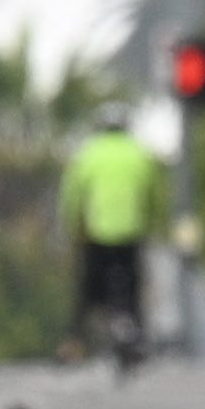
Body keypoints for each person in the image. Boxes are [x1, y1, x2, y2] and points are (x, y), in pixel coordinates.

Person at [63, 123, 165, 372]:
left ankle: (73, 342)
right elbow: (154, 194)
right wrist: (151, 222)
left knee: (88, 290)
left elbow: (72, 194)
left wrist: (73, 225)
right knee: (133, 285)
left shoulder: (89, 153)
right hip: (131, 232)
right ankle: (138, 335)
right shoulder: (140, 153)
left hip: (97, 232)